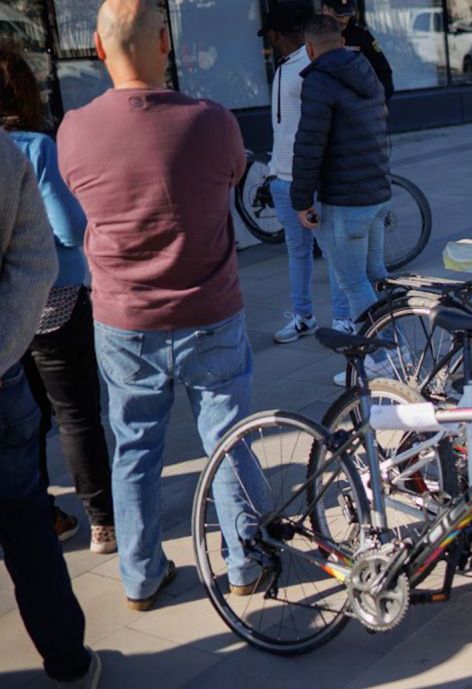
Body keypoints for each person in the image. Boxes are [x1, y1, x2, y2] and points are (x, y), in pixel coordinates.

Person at [57, 0, 262, 612]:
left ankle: (141, 577)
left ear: (98, 48)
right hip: (211, 310)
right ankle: (246, 561)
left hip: (125, 321)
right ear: (165, 44)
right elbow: (232, 178)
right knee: (227, 440)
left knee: (135, 449)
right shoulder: (214, 122)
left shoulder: (74, 130)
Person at [0, 44, 117, 555]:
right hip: (54, 303)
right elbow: (69, 227)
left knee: (25, 422)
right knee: (76, 415)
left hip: (6, 317)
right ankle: (103, 522)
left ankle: (44, 516)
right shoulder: (33, 148)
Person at [0, 130, 101, 689]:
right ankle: (68, 663)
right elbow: (43, 251)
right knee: (25, 524)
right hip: (13, 360)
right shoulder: (17, 150)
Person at [259, 4, 355, 342]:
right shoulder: (285, 66)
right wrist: (274, 171)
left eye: (269, 36)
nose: (268, 43)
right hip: (282, 178)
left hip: (309, 180)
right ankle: (303, 316)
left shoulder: (311, 64)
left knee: (331, 252)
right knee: (296, 252)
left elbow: (324, 124)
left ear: (277, 34)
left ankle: (343, 319)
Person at [292, 14, 391, 342]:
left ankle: (382, 358)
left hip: (346, 200)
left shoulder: (319, 81)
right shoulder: (366, 70)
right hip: (377, 191)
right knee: (376, 275)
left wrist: (301, 200)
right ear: (342, 40)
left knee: (353, 282)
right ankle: (398, 346)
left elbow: (309, 145)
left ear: (309, 48)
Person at [321, 0, 395, 102]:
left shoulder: (362, 36)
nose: (344, 20)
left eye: (347, 13)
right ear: (325, 10)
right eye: (339, 14)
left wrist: (375, 103)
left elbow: (384, 73)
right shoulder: (315, 36)